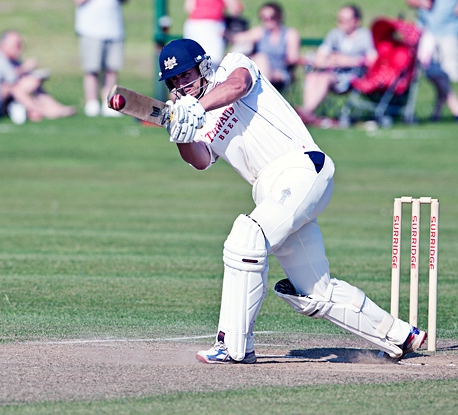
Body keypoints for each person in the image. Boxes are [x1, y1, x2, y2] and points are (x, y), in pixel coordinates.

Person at [157, 38, 426, 364]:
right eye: (174, 81)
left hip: (300, 168)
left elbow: (238, 85)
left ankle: (233, 347)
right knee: (316, 292)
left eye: (186, 75)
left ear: (203, 66)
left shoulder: (233, 65)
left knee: (246, 239)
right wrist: (181, 133)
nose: (181, 85)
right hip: (271, 193)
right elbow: (199, 159)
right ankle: (400, 335)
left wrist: (197, 108)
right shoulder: (195, 115)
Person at [296, 5, 377, 127]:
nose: (340, 23)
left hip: (352, 78)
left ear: (356, 21)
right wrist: (330, 61)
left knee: (324, 78)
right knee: (312, 76)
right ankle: (307, 113)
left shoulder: (365, 36)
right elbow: (320, 56)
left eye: (345, 20)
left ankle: (305, 113)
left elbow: (373, 60)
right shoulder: (335, 34)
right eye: (339, 19)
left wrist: (349, 61)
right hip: (334, 74)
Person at [406, 0, 458, 121]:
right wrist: (422, 3)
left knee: (447, 75)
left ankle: (437, 112)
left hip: (450, 30)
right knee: (432, 72)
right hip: (427, 31)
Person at [0, 31, 76, 123]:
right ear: (4, 45)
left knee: (34, 85)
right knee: (18, 88)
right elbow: (8, 79)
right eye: (17, 45)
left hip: (13, 93)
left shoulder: (13, 60)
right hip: (1, 95)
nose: (20, 48)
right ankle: (42, 111)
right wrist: (25, 68)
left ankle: (54, 108)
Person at [228, 2, 300, 91]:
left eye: (272, 17)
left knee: (261, 59)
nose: (268, 20)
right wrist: (223, 33)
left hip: (280, 72)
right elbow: (239, 38)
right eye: (264, 18)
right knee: (259, 58)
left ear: (279, 16)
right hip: (261, 69)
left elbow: (292, 58)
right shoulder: (260, 32)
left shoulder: (289, 34)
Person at [74, 0, 126, 117]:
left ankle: (109, 102)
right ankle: (91, 103)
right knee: (92, 69)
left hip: (114, 28)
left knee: (111, 69)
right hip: (91, 29)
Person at [183, 0, 244, 69]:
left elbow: (188, 8)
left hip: (193, 25)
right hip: (213, 25)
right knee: (212, 63)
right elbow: (234, 9)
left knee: (193, 62)